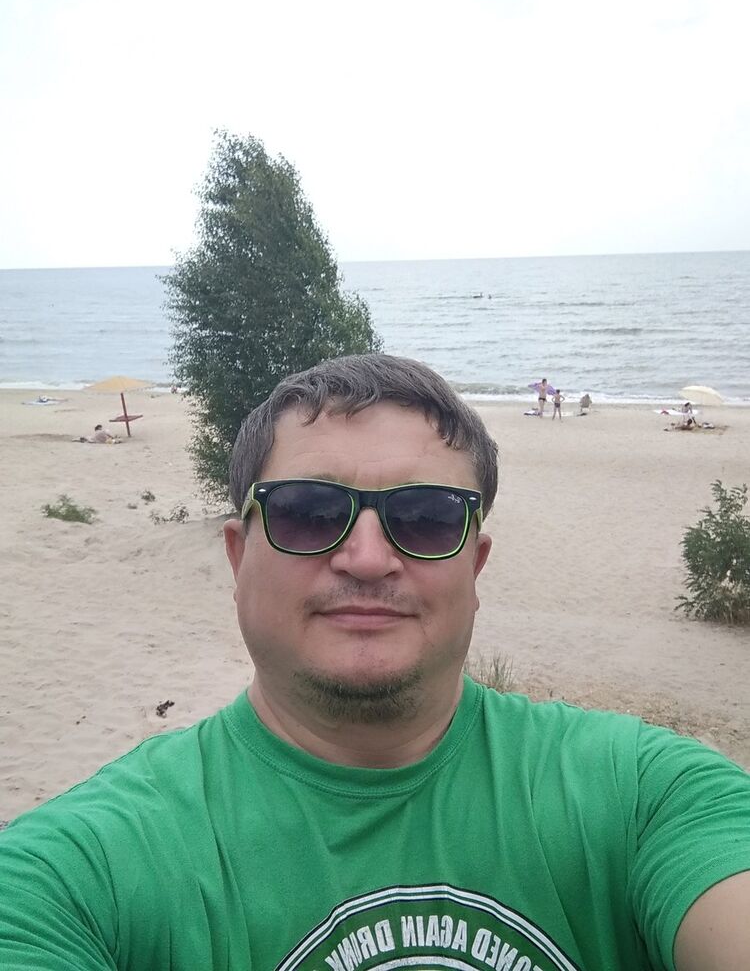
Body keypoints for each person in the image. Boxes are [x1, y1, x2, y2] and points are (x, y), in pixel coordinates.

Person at [1, 354, 748, 971]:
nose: (365, 558)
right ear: (237, 557)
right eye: (307, 512)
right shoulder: (79, 873)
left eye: (426, 518)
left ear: (475, 566)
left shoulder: (647, 797)